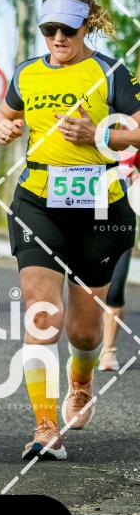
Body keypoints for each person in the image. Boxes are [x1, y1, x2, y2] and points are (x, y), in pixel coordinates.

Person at [0, 0, 139, 461]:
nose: (58, 38)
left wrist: (102, 134)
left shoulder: (110, 71)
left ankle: (81, 381)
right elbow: (4, 114)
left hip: (98, 207)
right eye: (49, 29)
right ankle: (45, 427)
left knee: (85, 332)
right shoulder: (26, 73)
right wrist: (3, 126)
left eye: (68, 30)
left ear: (85, 26)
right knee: (42, 314)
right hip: (38, 201)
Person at [98, 148, 140, 371]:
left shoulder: (134, 140)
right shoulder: (89, 136)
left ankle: (108, 350)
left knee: (114, 291)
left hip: (122, 221)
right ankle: (84, 341)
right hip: (87, 220)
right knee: (88, 289)